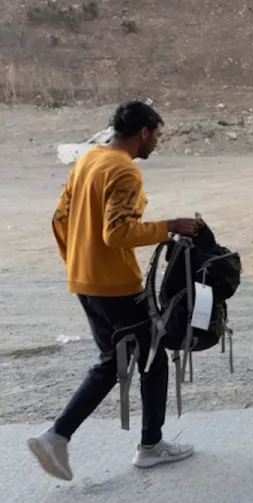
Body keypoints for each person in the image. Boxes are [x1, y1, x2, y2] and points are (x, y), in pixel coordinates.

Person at [27, 101, 201, 481]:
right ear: (143, 132)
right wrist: (169, 225)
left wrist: (77, 261)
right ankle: (136, 445)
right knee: (151, 358)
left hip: (84, 279)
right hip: (116, 286)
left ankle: (62, 437)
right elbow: (117, 232)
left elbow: (59, 219)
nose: (156, 142)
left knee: (114, 361)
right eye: (156, 134)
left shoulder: (89, 160)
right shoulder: (124, 171)